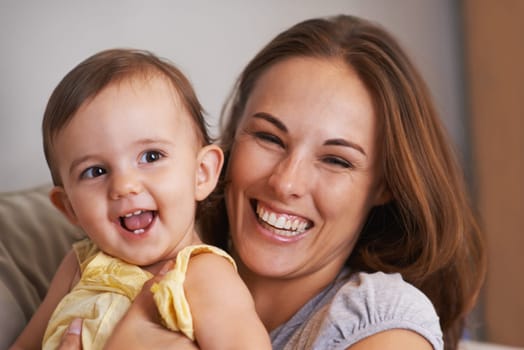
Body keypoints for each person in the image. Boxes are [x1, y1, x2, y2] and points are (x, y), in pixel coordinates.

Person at [39, 14, 487, 350]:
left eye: (336, 160)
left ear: (384, 185)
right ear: (227, 144)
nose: (286, 182)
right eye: (269, 137)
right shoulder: (116, 255)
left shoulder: (383, 322)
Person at [9, 49, 271, 350]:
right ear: (70, 209)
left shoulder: (203, 276)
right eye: (95, 171)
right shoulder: (80, 265)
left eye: (151, 156)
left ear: (201, 173)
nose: (124, 185)